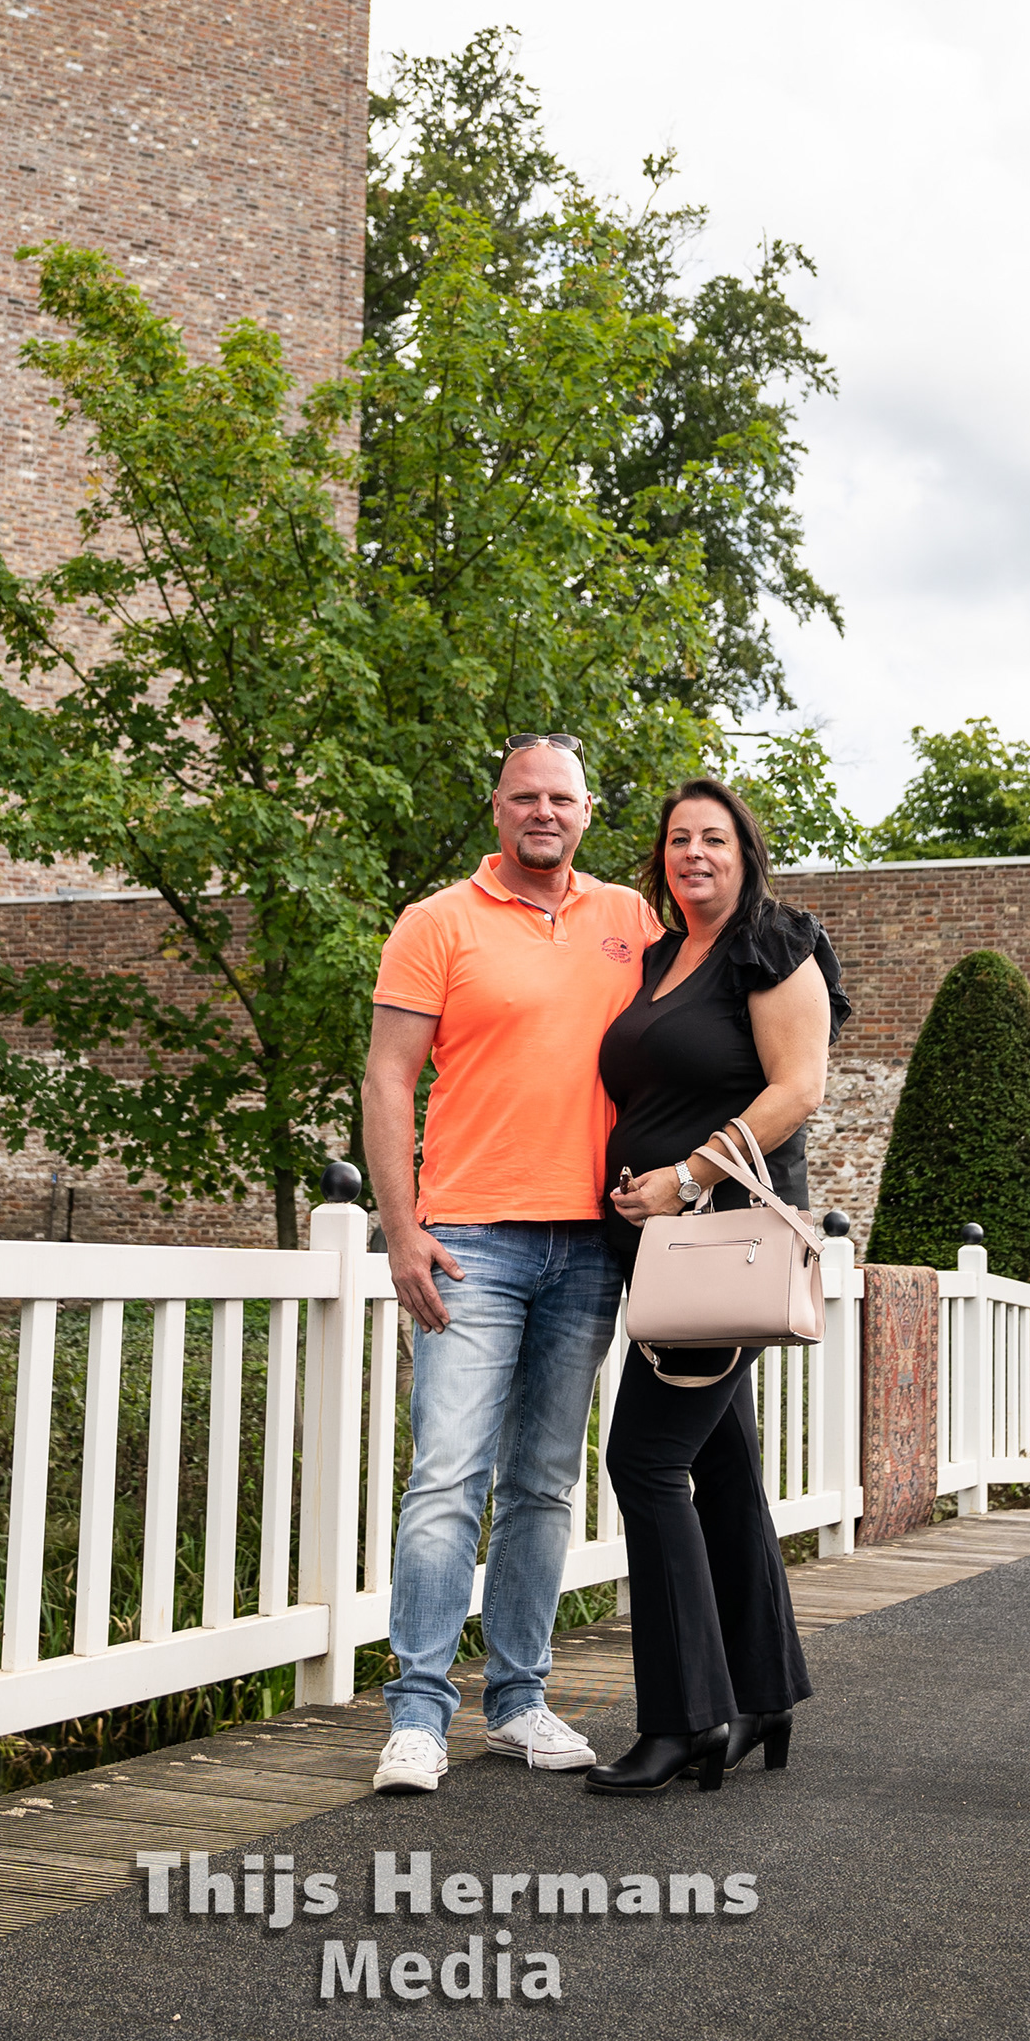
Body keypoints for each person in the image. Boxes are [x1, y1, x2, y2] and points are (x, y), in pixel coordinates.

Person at [359, 734, 663, 1794]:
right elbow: (388, 1079)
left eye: (561, 798)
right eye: (525, 795)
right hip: (471, 1241)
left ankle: (520, 1701)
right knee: (447, 1478)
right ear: (498, 808)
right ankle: (417, 1716)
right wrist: (401, 1229)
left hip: (590, 1243)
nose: (544, 811)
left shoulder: (631, 919)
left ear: (587, 811)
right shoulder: (436, 922)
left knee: (543, 1483)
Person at [590, 776, 845, 1795]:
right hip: (657, 1250)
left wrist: (686, 1176)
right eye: (678, 839)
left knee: (645, 1460)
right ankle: (763, 1695)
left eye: (715, 838)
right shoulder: (659, 959)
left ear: (746, 853)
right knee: (724, 1466)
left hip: (721, 1243)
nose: (694, 852)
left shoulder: (772, 943)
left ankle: (686, 1716)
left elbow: (799, 1088)